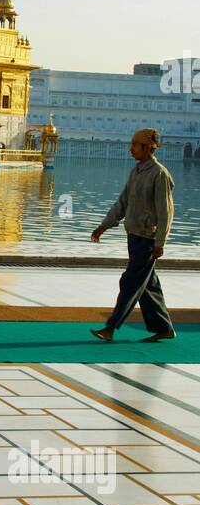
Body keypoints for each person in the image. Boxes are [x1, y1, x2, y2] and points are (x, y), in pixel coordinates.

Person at [90, 127, 176, 343]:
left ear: (148, 148)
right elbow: (123, 202)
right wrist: (104, 225)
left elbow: (166, 211)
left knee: (130, 281)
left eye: (135, 145)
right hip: (134, 235)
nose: (131, 150)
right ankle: (164, 328)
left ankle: (111, 327)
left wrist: (160, 242)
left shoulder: (159, 174)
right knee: (148, 286)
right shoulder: (137, 172)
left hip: (148, 239)